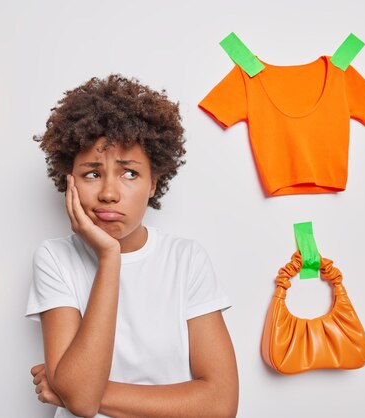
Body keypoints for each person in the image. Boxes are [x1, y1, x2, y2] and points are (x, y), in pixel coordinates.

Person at [26, 74, 239, 418]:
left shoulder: (186, 260)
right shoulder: (55, 258)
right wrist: (109, 257)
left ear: (153, 183)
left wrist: (75, 388)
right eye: (92, 174)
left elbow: (220, 405)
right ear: (70, 181)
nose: (109, 192)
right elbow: (80, 401)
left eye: (129, 174)